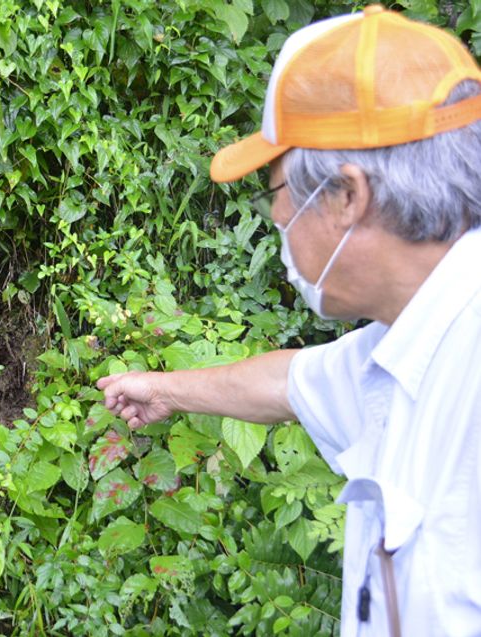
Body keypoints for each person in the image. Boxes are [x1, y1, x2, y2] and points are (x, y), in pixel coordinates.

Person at [97, 6, 481, 636]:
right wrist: (164, 389)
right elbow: (289, 384)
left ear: (347, 195)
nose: (275, 217)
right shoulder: (407, 341)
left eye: (274, 189)